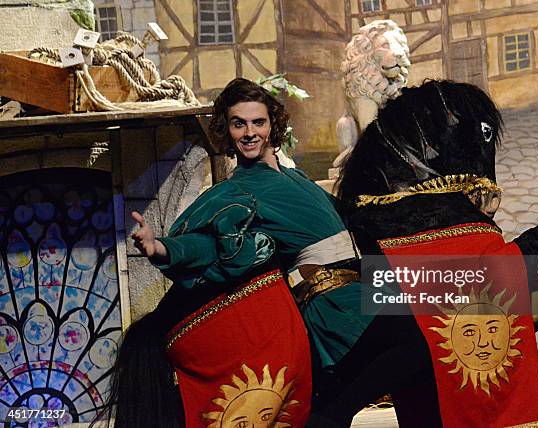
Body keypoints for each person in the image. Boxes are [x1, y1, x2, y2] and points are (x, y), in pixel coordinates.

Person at [103, 78, 435, 428]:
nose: (249, 132)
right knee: (413, 343)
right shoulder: (237, 190)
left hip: (362, 282)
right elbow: (207, 244)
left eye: (257, 122)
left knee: (429, 338)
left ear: (272, 125)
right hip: (331, 299)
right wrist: (160, 248)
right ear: (227, 131)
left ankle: (332, 412)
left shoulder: (298, 177)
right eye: (238, 124)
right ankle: (329, 417)